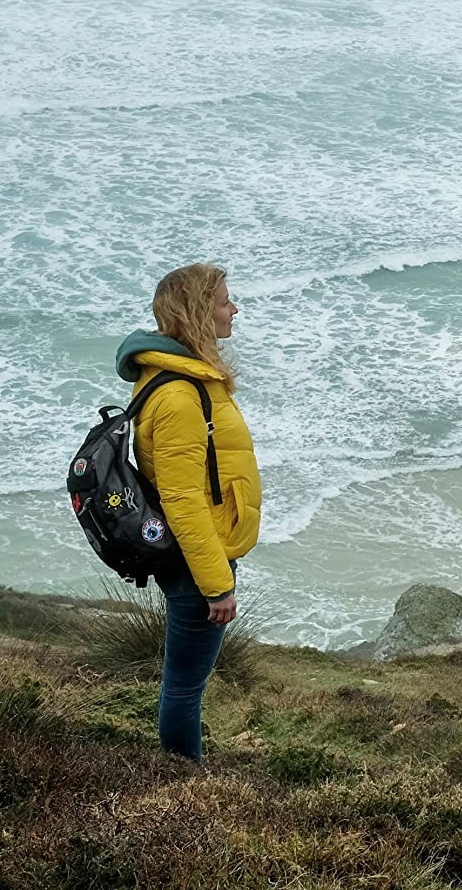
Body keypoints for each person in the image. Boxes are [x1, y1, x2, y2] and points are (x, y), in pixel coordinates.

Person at [113, 263, 262, 761]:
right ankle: (183, 789)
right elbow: (183, 499)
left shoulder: (180, 376)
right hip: (198, 561)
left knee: (184, 682)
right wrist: (217, 584)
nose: (234, 309)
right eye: (224, 301)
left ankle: (181, 779)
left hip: (198, 555)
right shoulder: (179, 395)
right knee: (183, 688)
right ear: (199, 312)